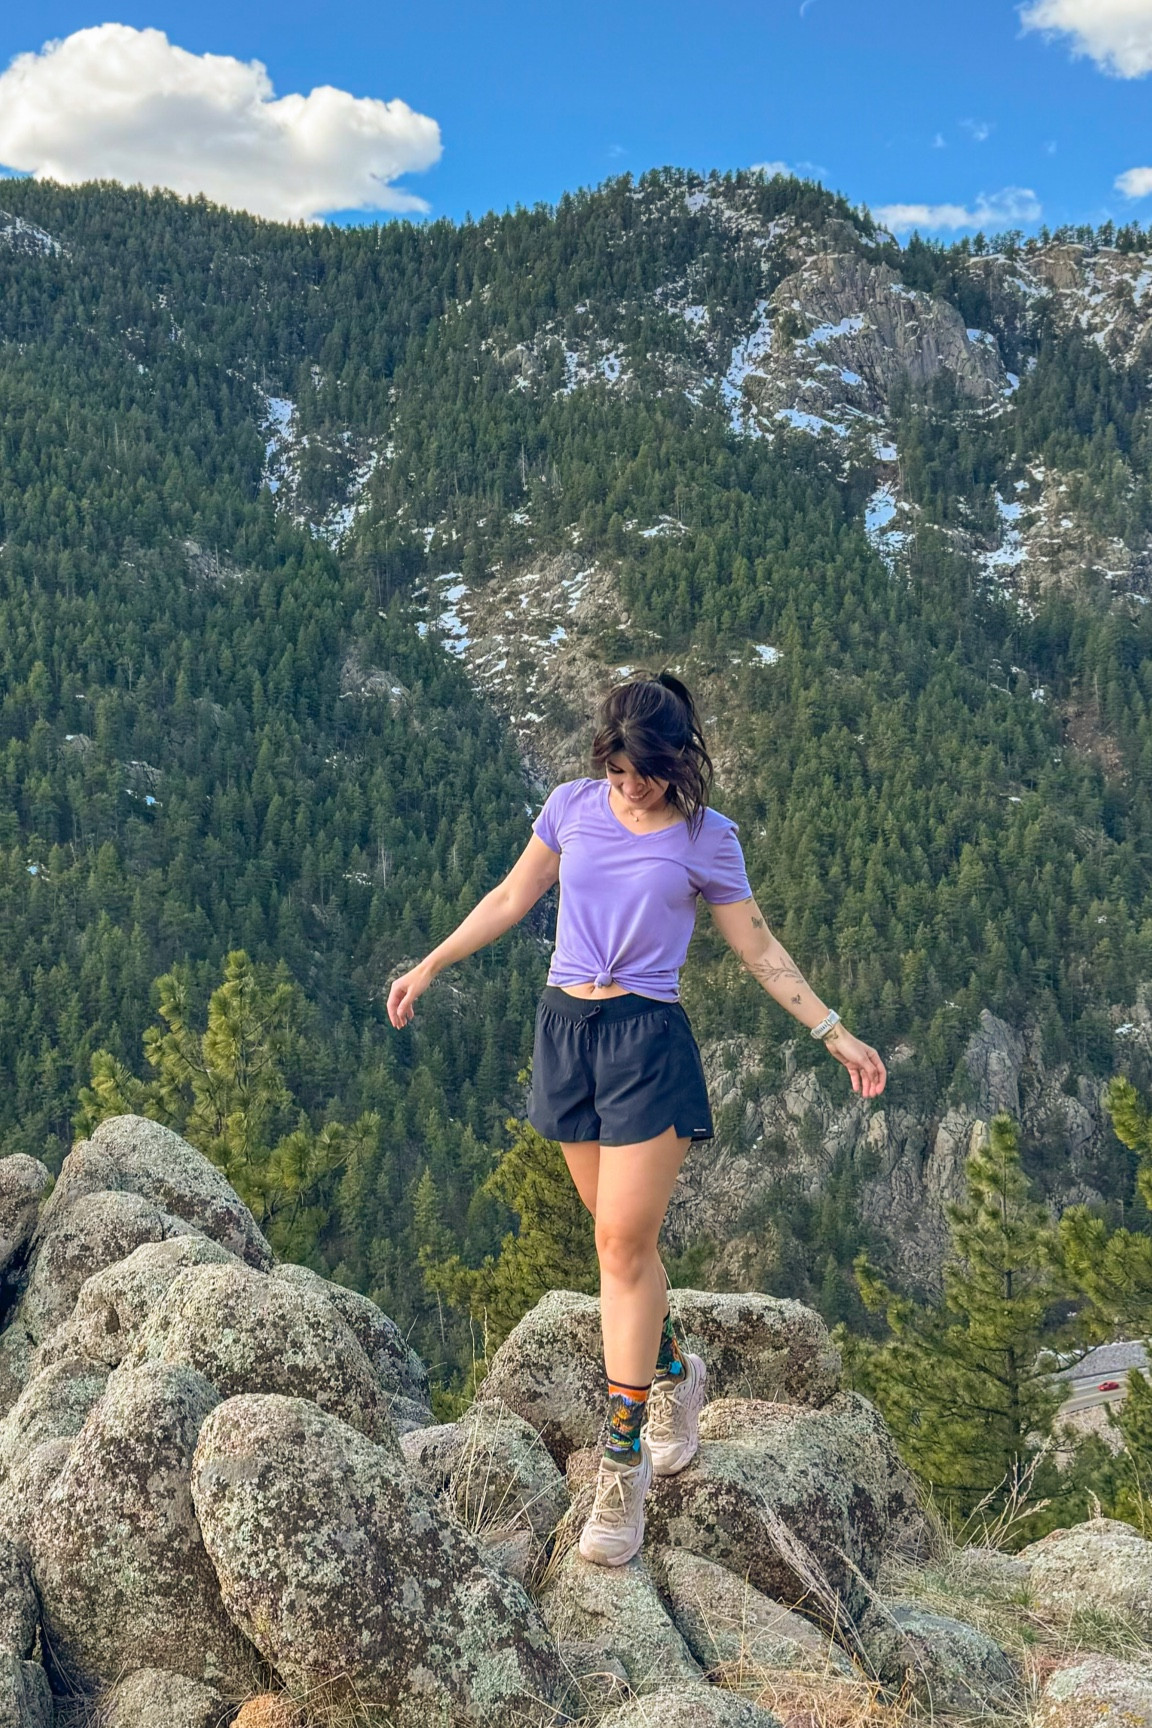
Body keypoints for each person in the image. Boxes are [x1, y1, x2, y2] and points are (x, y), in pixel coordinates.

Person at [387, 672, 886, 1567]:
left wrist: (832, 1030)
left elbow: (757, 945)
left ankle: (622, 1471)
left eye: (645, 772)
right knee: (622, 1247)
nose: (630, 785)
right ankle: (677, 1371)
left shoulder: (706, 839)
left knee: (620, 1246)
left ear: (677, 763)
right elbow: (512, 898)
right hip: (564, 1029)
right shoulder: (570, 808)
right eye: (617, 769)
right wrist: (430, 965)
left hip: (646, 1037)